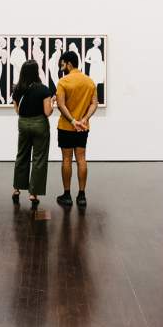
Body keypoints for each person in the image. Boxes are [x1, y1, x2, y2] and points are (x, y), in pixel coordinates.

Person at [55, 50, 98, 209]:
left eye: (62, 64)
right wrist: (84, 119)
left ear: (69, 63)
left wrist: (73, 121)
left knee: (66, 159)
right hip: (83, 128)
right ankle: (81, 195)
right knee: (81, 159)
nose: (62, 67)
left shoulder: (63, 82)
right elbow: (94, 103)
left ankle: (67, 195)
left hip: (66, 127)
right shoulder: (89, 82)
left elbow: (60, 104)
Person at [11, 60, 54, 208]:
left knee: (21, 155)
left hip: (23, 124)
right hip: (39, 125)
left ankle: (16, 189)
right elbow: (47, 112)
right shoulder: (43, 89)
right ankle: (33, 193)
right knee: (39, 159)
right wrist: (52, 104)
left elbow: (17, 110)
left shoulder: (17, 89)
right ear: (36, 72)